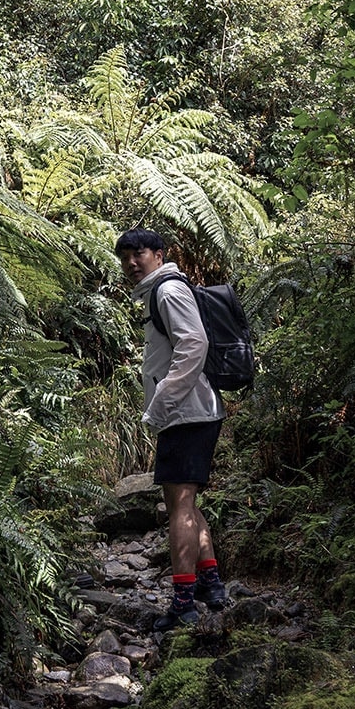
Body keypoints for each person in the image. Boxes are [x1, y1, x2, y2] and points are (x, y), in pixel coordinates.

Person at [115, 228, 227, 630]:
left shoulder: (167, 291)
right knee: (189, 503)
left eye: (138, 253)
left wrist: (162, 403)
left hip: (186, 413)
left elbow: (194, 344)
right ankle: (210, 586)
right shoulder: (162, 290)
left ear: (159, 255)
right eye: (124, 255)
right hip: (195, 412)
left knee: (178, 506)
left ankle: (183, 600)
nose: (131, 262)